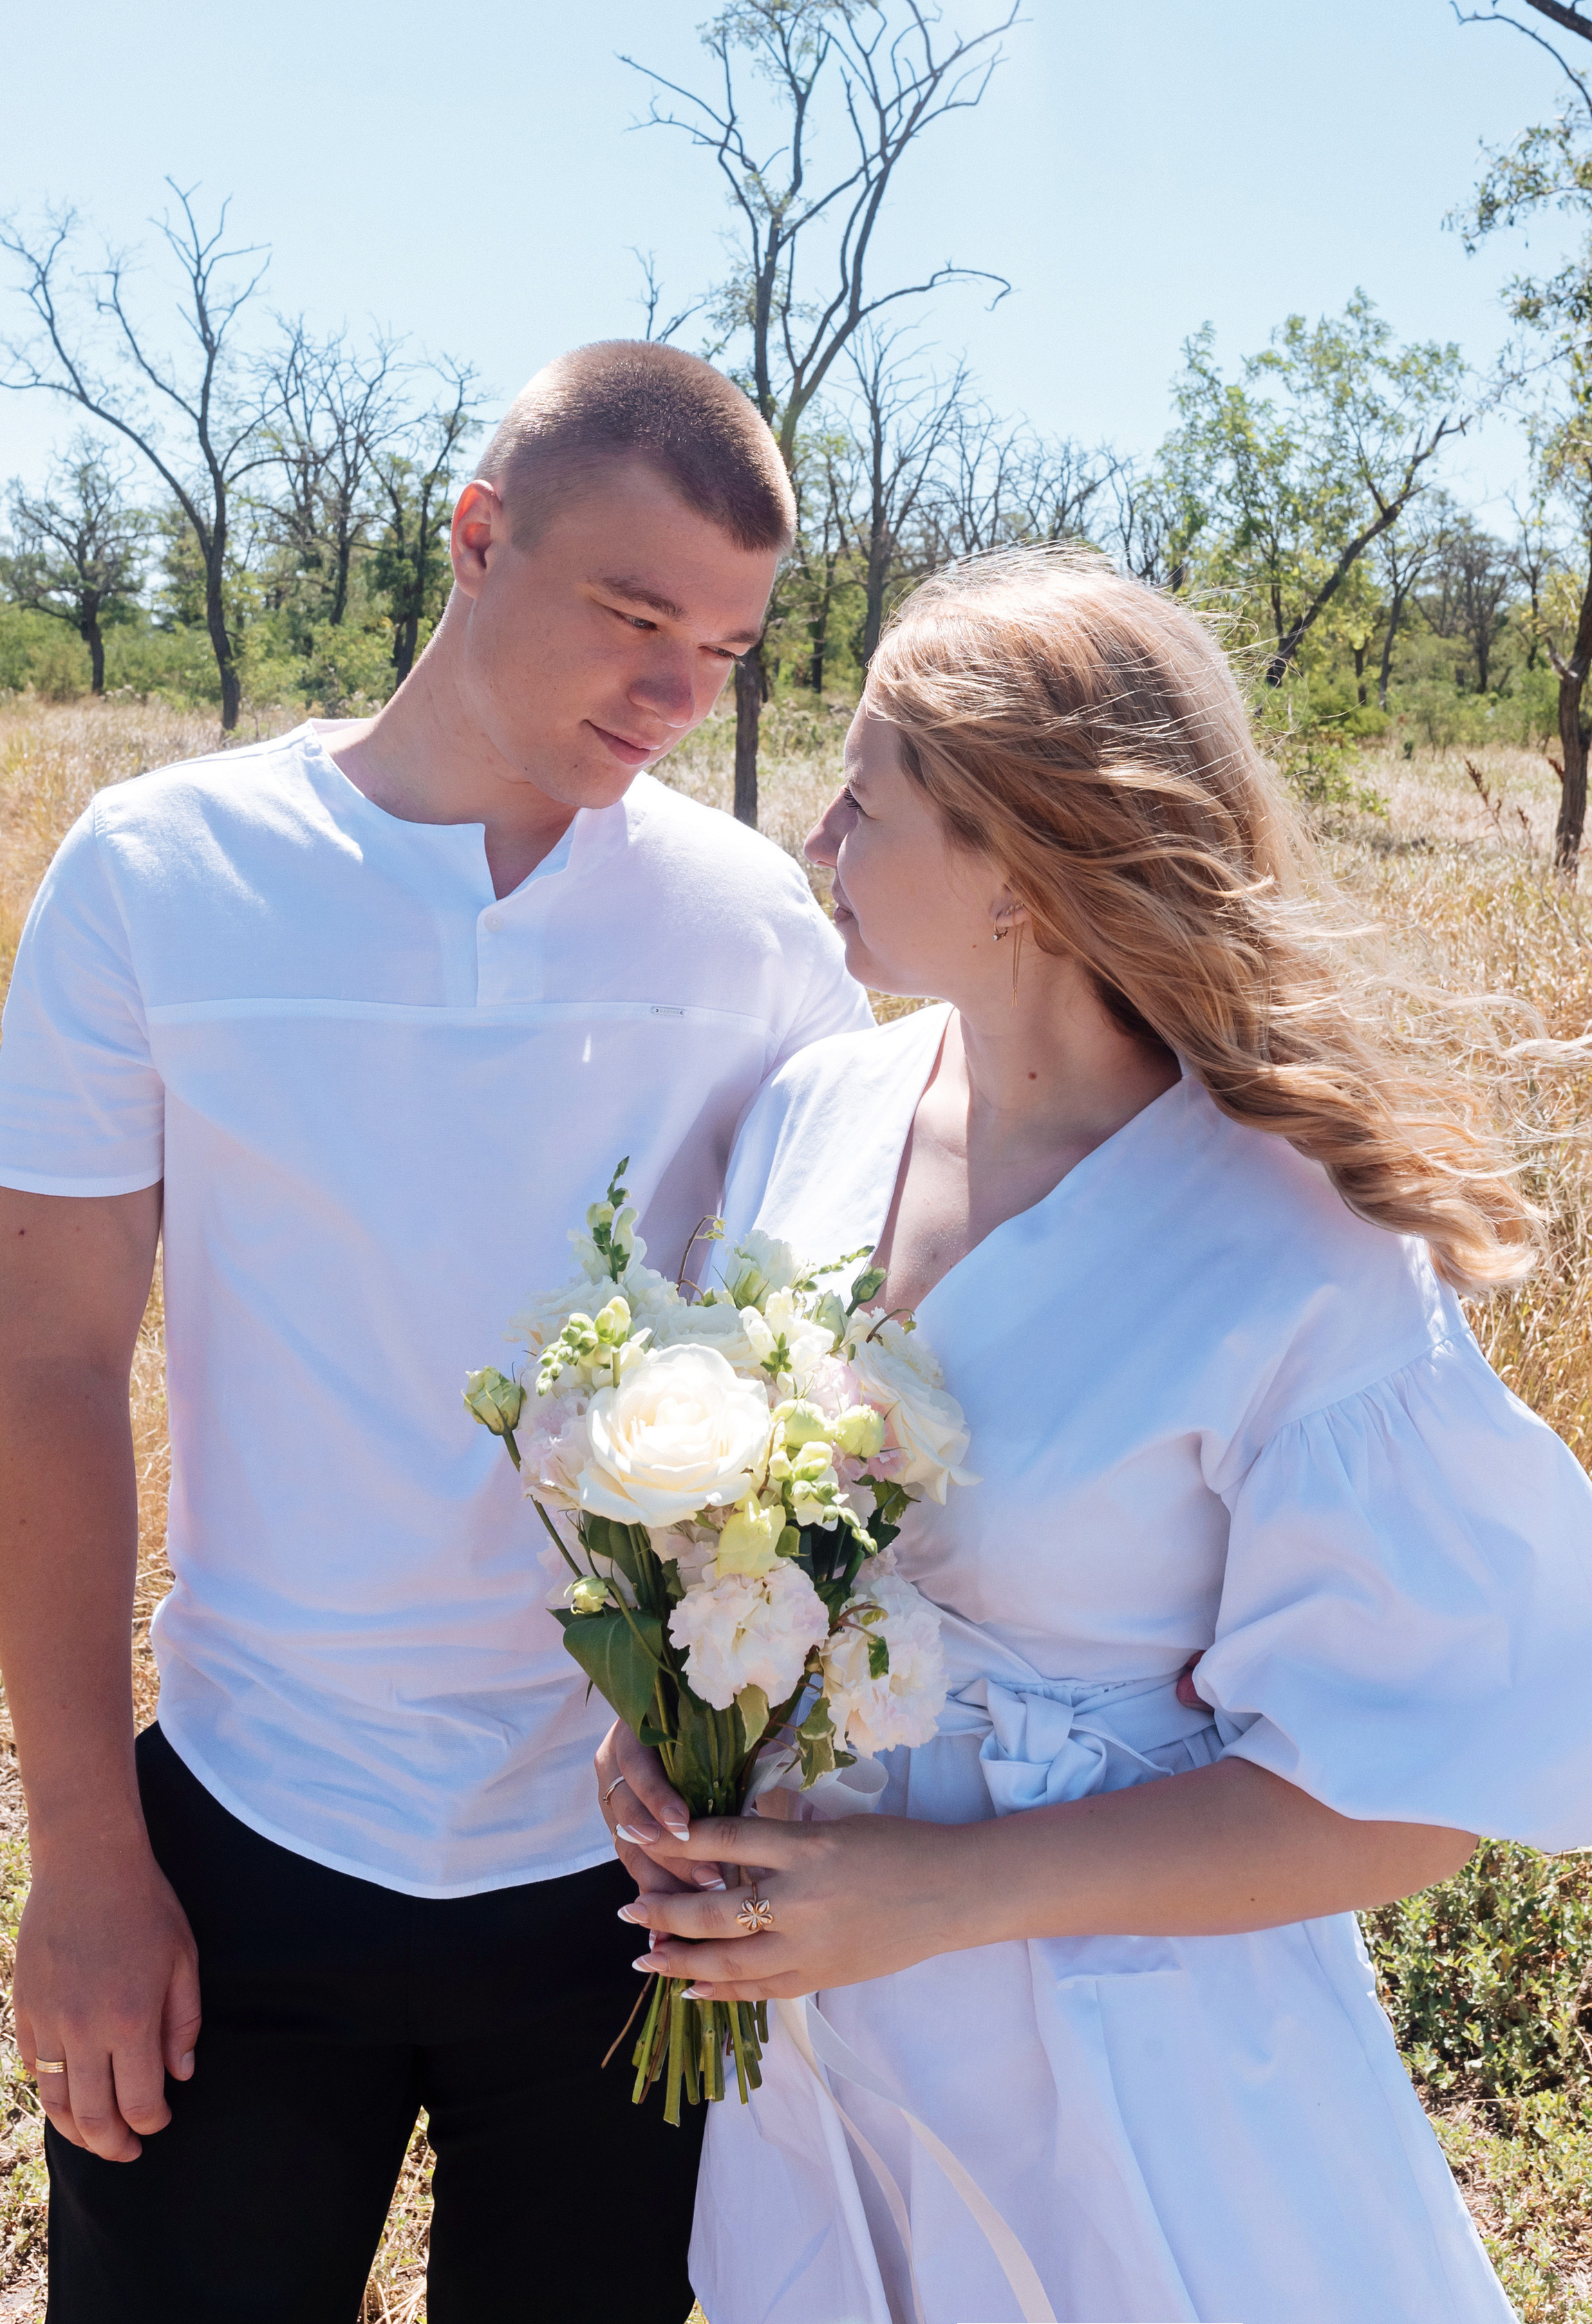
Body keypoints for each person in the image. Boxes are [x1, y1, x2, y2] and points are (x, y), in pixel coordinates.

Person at [0, 340, 870, 2324]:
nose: (672, 694)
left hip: (623, 1881)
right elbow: (48, 1364)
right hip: (241, 1833)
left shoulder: (753, 934)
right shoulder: (159, 872)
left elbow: (843, 1356)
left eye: (722, 653)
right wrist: (85, 1857)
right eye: (635, 615)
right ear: (476, 540)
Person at [600, 548, 1592, 2324]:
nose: (821, 839)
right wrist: (664, 1726)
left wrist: (945, 1895)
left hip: (1133, 2069)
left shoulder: (1295, 1244)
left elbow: (1411, 1799)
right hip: (817, 2045)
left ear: (1020, 869)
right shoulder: (816, 1114)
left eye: (867, 796)